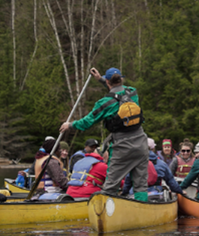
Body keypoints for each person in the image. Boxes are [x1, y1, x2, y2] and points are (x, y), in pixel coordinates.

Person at [59, 67, 150, 201]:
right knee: (140, 185)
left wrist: (70, 125)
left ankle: (107, 215)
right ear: (121, 79)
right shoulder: (133, 92)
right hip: (141, 143)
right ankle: (143, 212)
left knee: (111, 186)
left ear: (108, 82)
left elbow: (87, 122)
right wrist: (101, 80)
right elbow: (120, 93)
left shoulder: (104, 103)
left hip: (122, 147)